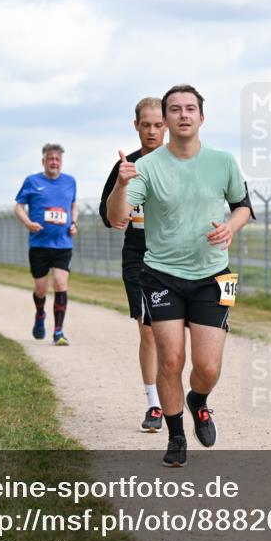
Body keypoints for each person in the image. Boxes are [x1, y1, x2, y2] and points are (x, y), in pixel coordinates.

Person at [107, 84, 253, 467]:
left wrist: (231, 228)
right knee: (171, 360)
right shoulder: (148, 167)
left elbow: (242, 205)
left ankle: (199, 401)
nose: (183, 115)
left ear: (202, 117)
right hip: (161, 275)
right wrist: (122, 185)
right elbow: (116, 216)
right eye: (175, 109)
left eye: (190, 108)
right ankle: (175, 436)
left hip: (214, 275)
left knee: (208, 367)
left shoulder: (223, 162)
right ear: (167, 119)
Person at [100, 97, 167, 433]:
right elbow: (108, 214)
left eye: (158, 124)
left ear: (167, 125)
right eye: (146, 125)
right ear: (136, 126)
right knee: (150, 330)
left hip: (178, 257)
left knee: (180, 335)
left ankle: (190, 397)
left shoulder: (182, 162)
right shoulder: (128, 164)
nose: (152, 131)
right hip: (139, 258)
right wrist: (122, 186)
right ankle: (154, 404)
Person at [14, 143, 78, 346]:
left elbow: (74, 204)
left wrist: (74, 222)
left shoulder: (70, 182)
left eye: (57, 159)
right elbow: (18, 207)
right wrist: (27, 223)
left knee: (60, 283)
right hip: (39, 244)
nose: (54, 162)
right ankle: (40, 314)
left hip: (63, 244)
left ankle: (58, 331)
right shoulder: (32, 181)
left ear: (61, 162)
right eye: (50, 158)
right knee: (41, 289)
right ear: (44, 161)